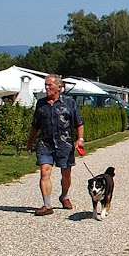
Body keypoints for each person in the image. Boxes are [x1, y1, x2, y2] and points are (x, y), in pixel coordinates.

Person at [26, 75, 85, 216]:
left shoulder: (69, 103)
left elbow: (79, 123)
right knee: (44, 172)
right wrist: (30, 141)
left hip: (64, 144)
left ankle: (64, 196)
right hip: (45, 144)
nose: (46, 88)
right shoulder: (41, 104)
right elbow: (35, 125)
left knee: (66, 174)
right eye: (45, 85)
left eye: (49, 85)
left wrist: (80, 139)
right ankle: (47, 205)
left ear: (59, 87)